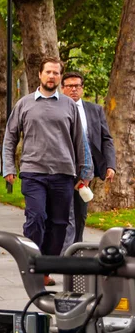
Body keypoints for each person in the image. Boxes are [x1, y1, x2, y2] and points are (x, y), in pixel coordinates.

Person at [3, 57, 93, 286]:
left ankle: (46, 268)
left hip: (63, 173)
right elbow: (10, 137)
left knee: (60, 223)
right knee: (36, 218)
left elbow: (78, 141)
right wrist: (9, 167)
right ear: (40, 75)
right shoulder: (24, 104)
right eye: (48, 72)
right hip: (33, 172)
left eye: (56, 73)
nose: (52, 76)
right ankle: (33, 264)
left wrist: (84, 172)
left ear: (59, 77)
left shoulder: (69, 105)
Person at [61, 71, 116, 247]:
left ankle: (76, 247)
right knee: (61, 210)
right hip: (61, 165)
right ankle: (59, 246)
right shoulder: (56, 108)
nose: (73, 89)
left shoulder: (95, 110)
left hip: (86, 167)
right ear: (62, 88)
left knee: (80, 211)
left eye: (77, 86)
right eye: (69, 86)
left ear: (82, 88)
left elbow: (106, 138)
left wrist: (110, 165)